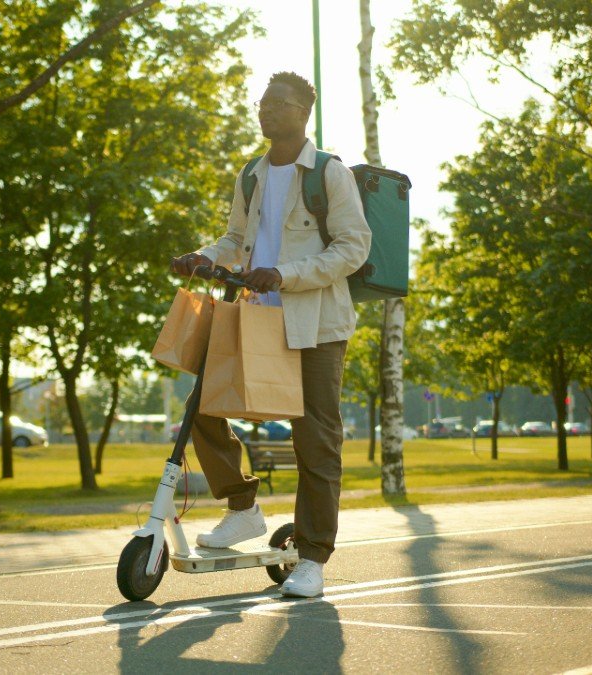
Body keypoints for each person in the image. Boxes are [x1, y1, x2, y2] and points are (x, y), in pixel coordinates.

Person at [170, 71, 370, 598]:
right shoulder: (252, 175)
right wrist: (204, 257)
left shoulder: (328, 172)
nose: (266, 110)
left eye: (279, 103)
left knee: (316, 442)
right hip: (256, 316)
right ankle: (243, 507)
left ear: (304, 111)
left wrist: (286, 274)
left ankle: (312, 559)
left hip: (315, 326)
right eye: (262, 102)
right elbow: (237, 239)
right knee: (205, 405)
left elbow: (354, 248)